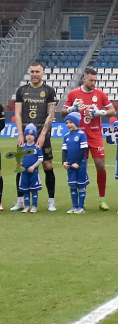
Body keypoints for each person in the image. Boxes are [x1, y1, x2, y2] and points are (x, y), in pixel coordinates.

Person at [63, 68, 115, 211]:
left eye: (95, 80)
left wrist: (100, 112)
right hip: (79, 136)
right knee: (80, 166)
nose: (93, 83)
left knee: (100, 165)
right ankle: (82, 200)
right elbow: (62, 113)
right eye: (91, 80)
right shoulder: (74, 94)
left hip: (95, 135)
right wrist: (71, 109)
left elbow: (113, 111)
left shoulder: (100, 93)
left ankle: (102, 199)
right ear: (84, 79)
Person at [14, 62, 58, 212]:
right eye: (32, 71)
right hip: (25, 137)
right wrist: (20, 134)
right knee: (21, 166)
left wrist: (43, 135)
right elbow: (17, 114)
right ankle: (20, 201)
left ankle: (51, 201)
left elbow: (51, 114)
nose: (34, 74)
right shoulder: (21, 90)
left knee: (47, 165)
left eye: (37, 72)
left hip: (42, 135)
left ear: (43, 73)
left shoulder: (49, 91)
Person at [62, 112, 89, 214]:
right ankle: (74, 206)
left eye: (71, 122)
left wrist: (77, 163)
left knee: (81, 185)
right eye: (67, 123)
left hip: (80, 165)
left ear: (76, 123)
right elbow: (64, 150)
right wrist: (64, 162)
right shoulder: (66, 136)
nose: (69, 125)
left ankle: (81, 207)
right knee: (72, 185)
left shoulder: (81, 134)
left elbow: (83, 150)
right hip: (70, 165)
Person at [18, 124, 43, 213]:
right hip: (24, 172)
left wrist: (33, 166)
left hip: (34, 172)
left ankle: (34, 206)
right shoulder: (22, 147)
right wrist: (19, 163)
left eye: (32, 135)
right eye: (27, 134)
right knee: (25, 190)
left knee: (34, 189)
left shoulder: (37, 147)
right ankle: (27, 206)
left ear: (35, 136)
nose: (29, 136)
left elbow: (40, 158)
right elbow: (19, 158)